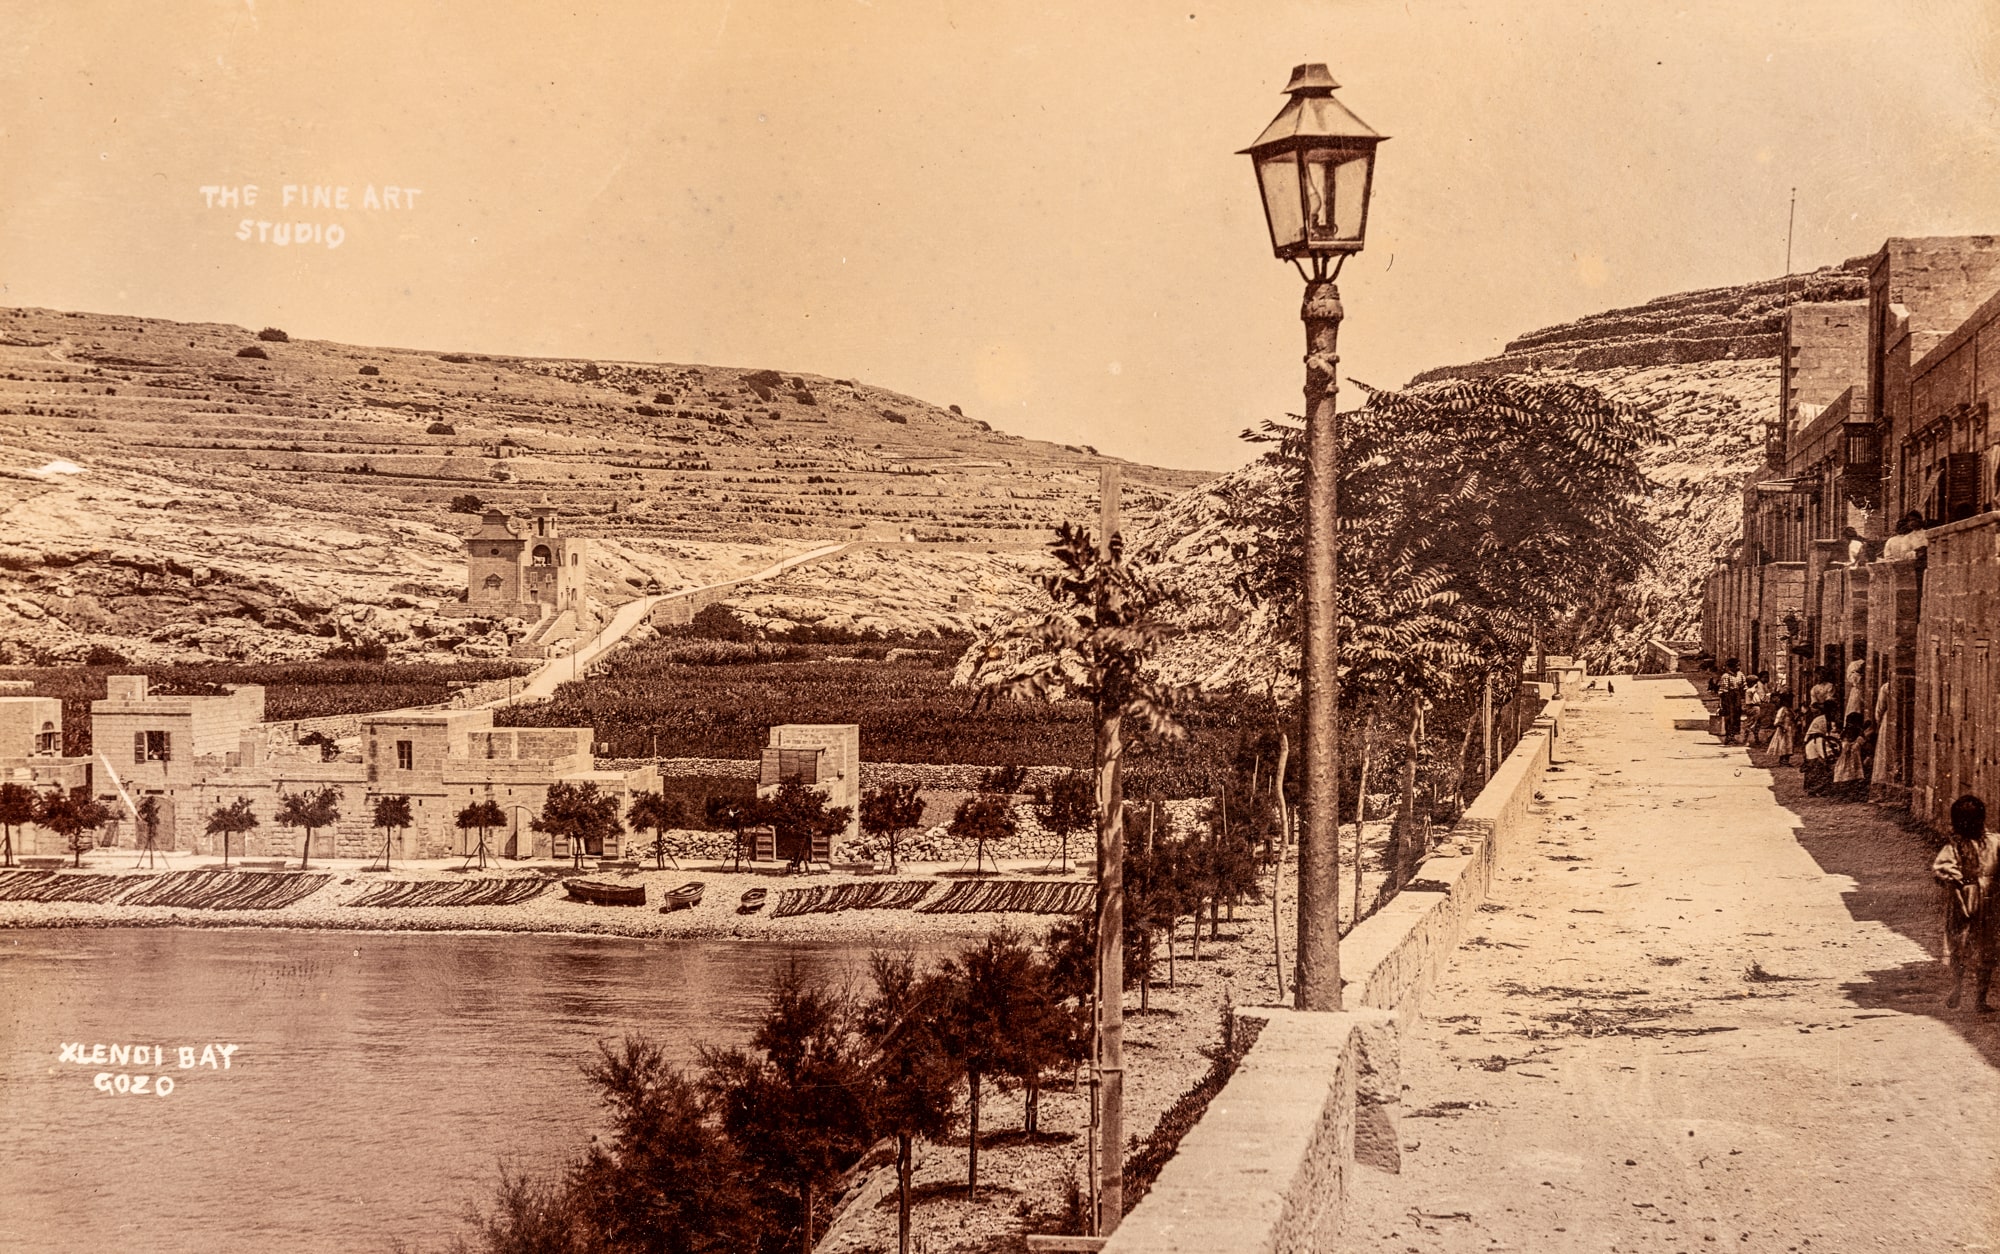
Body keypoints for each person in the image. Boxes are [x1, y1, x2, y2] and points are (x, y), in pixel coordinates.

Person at [1933, 794, 2000, 1011]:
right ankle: (1969, 993)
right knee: (1976, 947)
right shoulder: (1962, 845)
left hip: (1974, 899)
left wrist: (1955, 880)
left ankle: (1966, 991)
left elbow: (1943, 870)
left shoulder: (1987, 842)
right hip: (1973, 899)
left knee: (1971, 947)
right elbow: (1944, 871)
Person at [1801, 701, 1836, 795]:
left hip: (1817, 741)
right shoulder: (1820, 719)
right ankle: (1814, 789)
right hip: (1815, 741)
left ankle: (1818, 789)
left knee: (1818, 765)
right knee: (1816, 765)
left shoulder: (1825, 719)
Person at [1833, 712, 1869, 800]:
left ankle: (1844, 794)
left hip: (1843, 759)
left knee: (1845, 776)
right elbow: (1862, 743)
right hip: (1854, 760)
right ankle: (1855, 795)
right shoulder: (1859, 736)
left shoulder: (1844, 733)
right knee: (1855, 776)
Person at [1718, 657, 1746, 745]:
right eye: (1737, 665)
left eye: (1739, 665)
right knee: (1729, 716)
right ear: (1732, 666)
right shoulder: (1726, 676)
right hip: (1728, 697)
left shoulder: (1740, 675)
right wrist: (1721, 702)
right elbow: (1723, 689)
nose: (1739, 667)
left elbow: (1744, 685)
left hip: (1737, 696)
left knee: (1737, 715)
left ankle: (1734, 735)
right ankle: (1729, 736)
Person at [1768, 692, 1797, 765]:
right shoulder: (1782, 709)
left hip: (1789, 729)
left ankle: (1786, 760)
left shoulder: (1789, 709)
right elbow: (1777, 722)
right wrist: (1783, 726)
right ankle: (1783, 760)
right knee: (1783, 745)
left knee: (1789, 745)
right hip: (1783, 730)